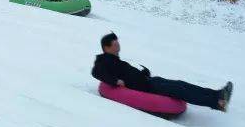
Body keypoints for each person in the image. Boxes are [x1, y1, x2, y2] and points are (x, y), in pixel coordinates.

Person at [92, 33, 234, 112]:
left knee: (181, 84)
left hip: (150, 81)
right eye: (116, 44)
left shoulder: (115, 59)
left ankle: (217, 94)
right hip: (148, 88)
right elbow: (96, 72)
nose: (119, 46)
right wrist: (116, 81)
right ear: (106, 47)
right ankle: (217, 102)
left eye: (118, 43)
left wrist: (143, 72)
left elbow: (127, 73)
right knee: (181, 90)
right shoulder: (103, 61)